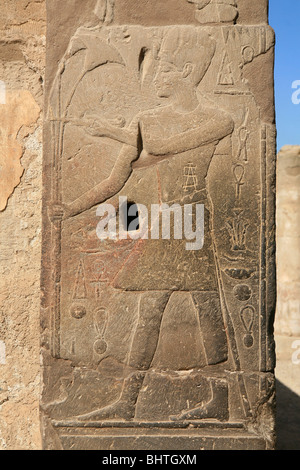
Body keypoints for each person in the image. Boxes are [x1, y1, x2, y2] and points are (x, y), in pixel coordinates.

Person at [66, 27, 235, 421]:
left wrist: (117, 131)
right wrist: (70, 207)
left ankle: (220, 401)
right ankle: (126, 405)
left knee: (209, 311)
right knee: (149, 312)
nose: (155, 78)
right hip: (166, 224)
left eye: (163, 70)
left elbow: (164, 147)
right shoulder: (147, 120)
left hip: (195, 223)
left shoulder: (219, 119)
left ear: (189, 70)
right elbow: (117, 178)